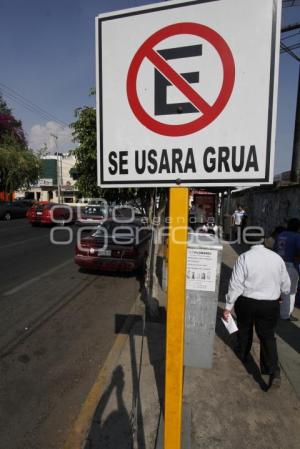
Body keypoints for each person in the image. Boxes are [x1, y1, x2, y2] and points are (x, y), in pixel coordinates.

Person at [223, 227, 291, 388]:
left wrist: (228, 306)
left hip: (246, 302)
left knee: (245, 328)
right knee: (267, 336)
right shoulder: (276, 258)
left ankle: (244, 353)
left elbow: (236, 285)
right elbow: (286, 285)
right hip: (270, 304)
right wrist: (281, 294)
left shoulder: (244, 258)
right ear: (263, 240)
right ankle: (273, 370)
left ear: (247, 241)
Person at [274, 218, 300, 321]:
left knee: (278, 289)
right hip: (291, 266)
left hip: (279, 264)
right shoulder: (297, 237)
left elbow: (274, 248)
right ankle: (285, 315)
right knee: (290, 292)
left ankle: (276, 310)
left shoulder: (281, 235)